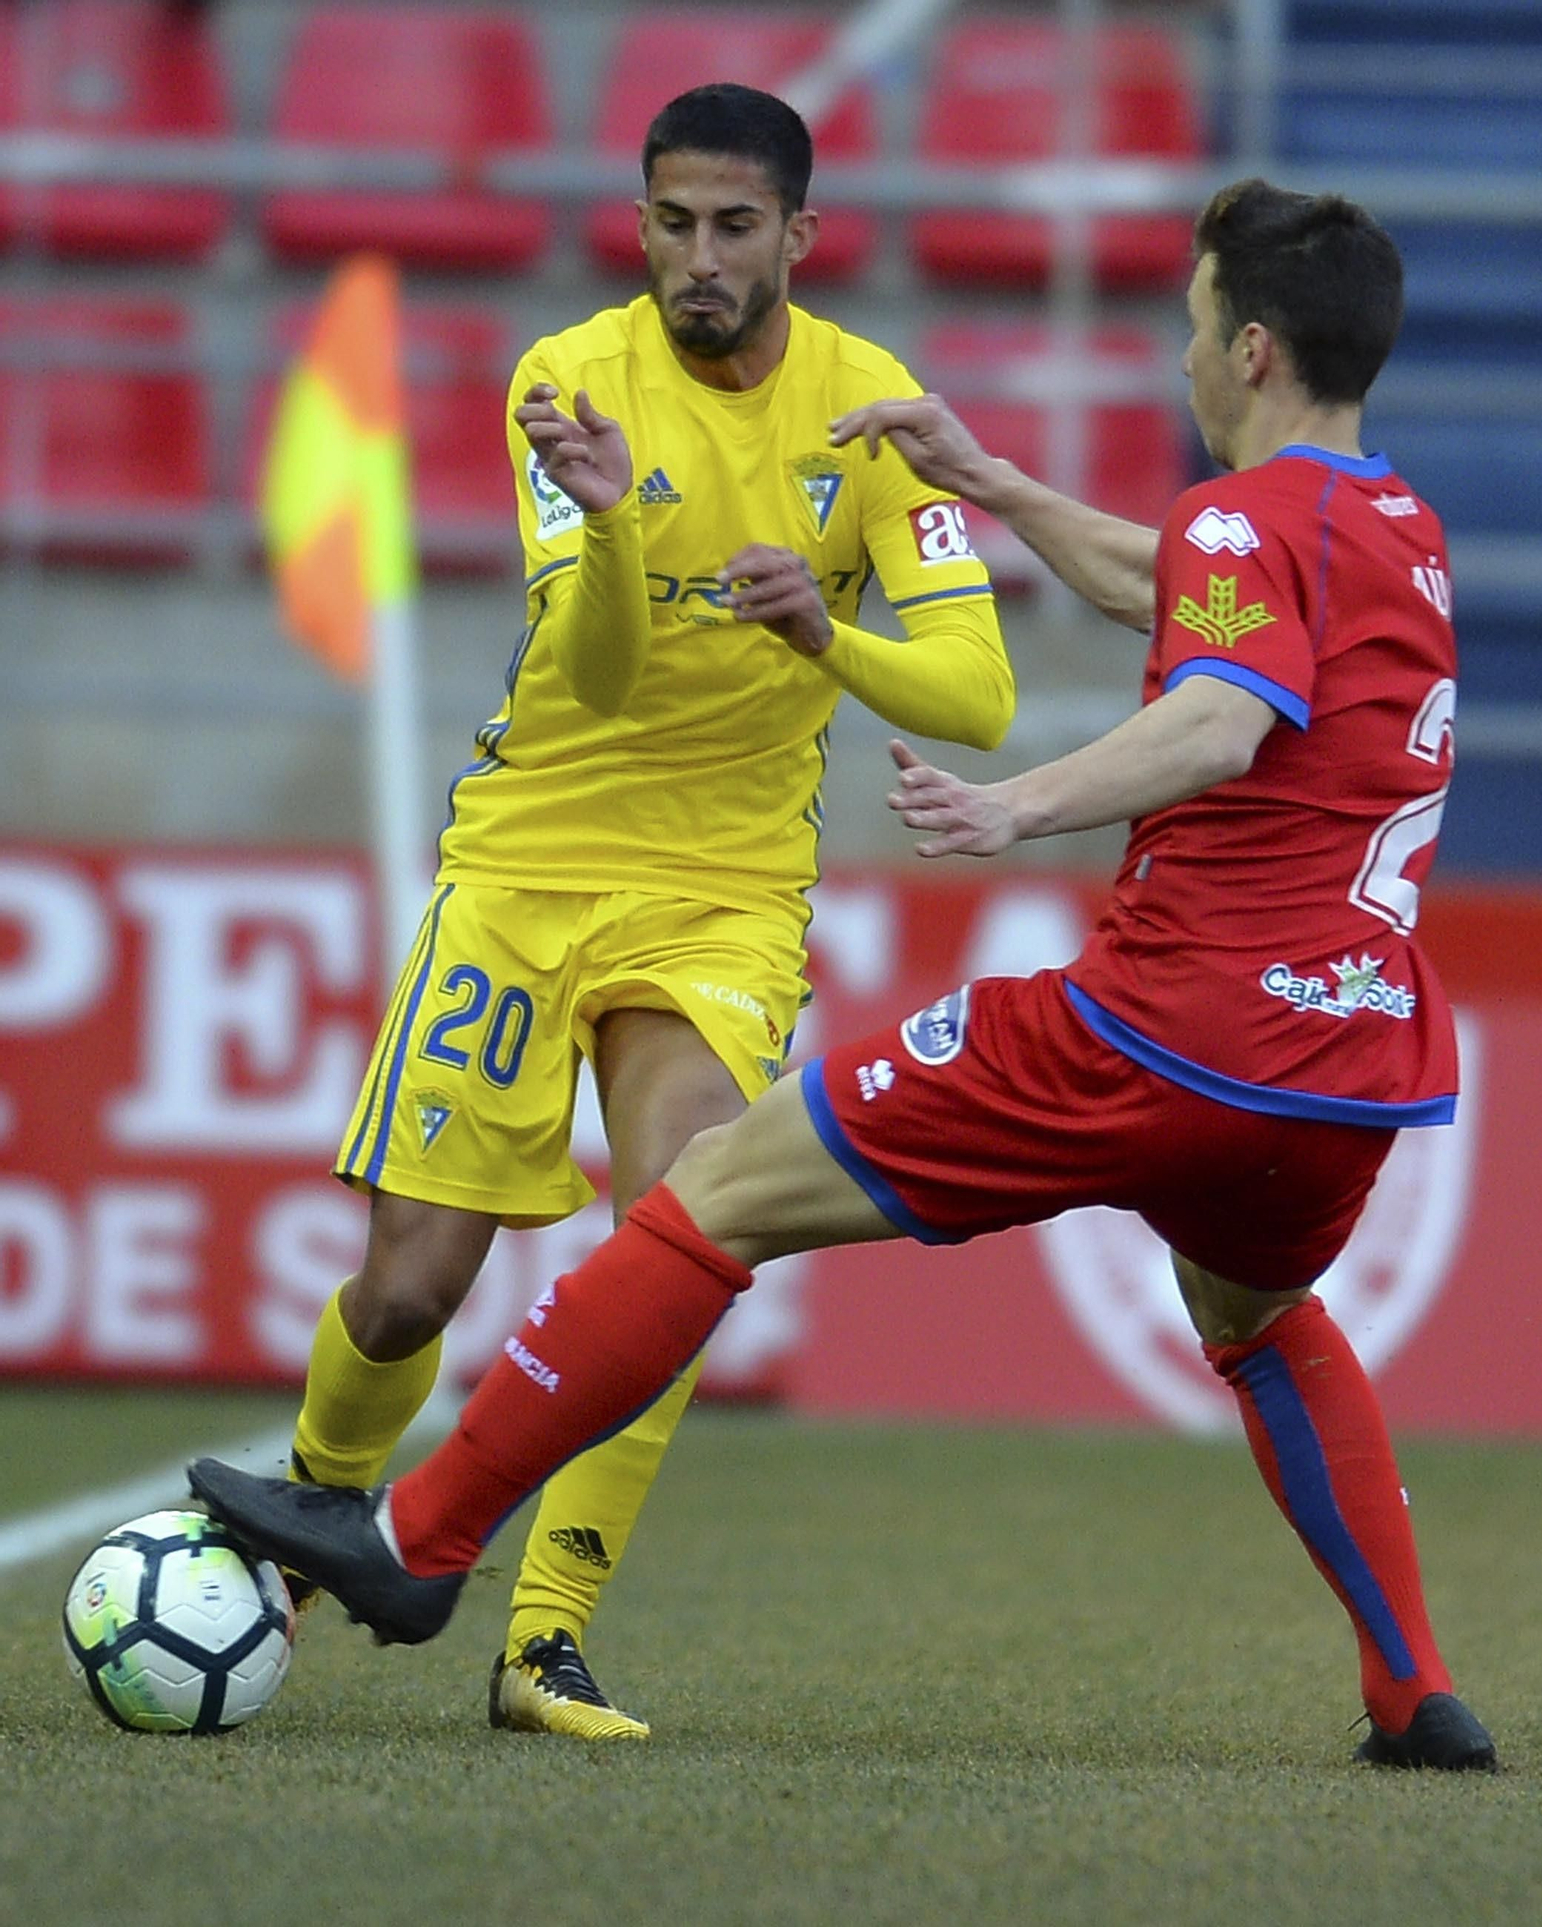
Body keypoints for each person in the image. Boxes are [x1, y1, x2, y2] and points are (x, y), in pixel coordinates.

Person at [192, 178, 1497, 1771]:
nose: (1179, 362)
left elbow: (1224, 712)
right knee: (1264, 1313)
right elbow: (1173, 586)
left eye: (1188, 330)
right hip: (1348, 1067)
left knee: (715, 1191)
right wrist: (994, 481)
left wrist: (1020, 802)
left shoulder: (1243, 520)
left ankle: (423, 1544)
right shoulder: (1393, 529)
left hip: (1161, 1027)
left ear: (1254, 347)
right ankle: (1414, 1691)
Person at [284, 81, 1014, 1741]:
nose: (698, 258)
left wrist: (829, 644)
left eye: (734, 227)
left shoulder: (877, 410)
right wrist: (616, 526)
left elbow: (975, 696)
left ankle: (543, 1640)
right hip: (529, 861)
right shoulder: (568, 381)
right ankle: (309, 1515)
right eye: (671, 223)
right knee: (409, 1291)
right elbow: (598, 674)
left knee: (689, 1217)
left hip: (723, 889)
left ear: (800, 238)